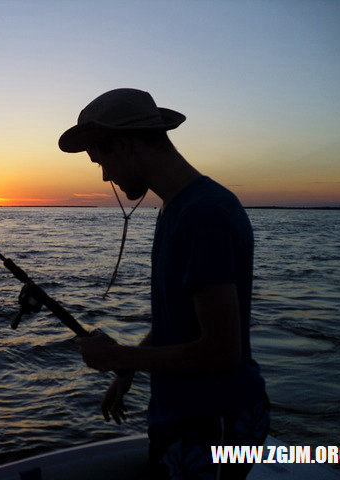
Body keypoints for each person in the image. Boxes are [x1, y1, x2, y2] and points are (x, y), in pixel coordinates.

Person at [58, 88, 269, 479]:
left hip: (214, 423)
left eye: (100, 158)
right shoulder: (175, 209)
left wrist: (121, 356)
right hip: (182, 417)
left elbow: (222, 352)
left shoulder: (205, 213)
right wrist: (130, 368)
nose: (104, 174)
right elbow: (179, 320)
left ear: (123, 144)